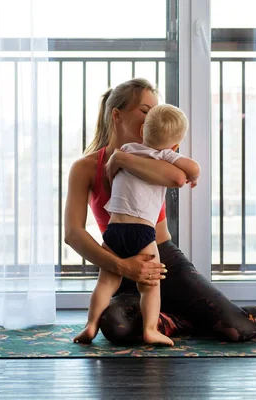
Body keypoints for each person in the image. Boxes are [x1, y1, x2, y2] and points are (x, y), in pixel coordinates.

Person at [64, 78, 256, 345]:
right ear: (116, 115)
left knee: (238, 330)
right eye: (145, 111)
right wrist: (122, 266)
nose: (153, 116)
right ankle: (185, 318)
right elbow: (73, 233)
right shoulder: (84, 168)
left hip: (161, 258)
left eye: (156, 111)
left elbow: (178, 178)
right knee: (116, 326)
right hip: (118, 259)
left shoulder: (156, 157)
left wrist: (120, 158)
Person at [73, 104, 200, 346]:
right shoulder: (164, 155)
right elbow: (191, 170)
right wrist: (193, 176)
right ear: (175, 145)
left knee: (106, 282)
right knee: (150, 285)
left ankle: (90, 325)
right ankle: (151, 329)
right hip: (142, 230)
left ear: (143, 131)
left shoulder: (126, 151)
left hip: (114, 229)